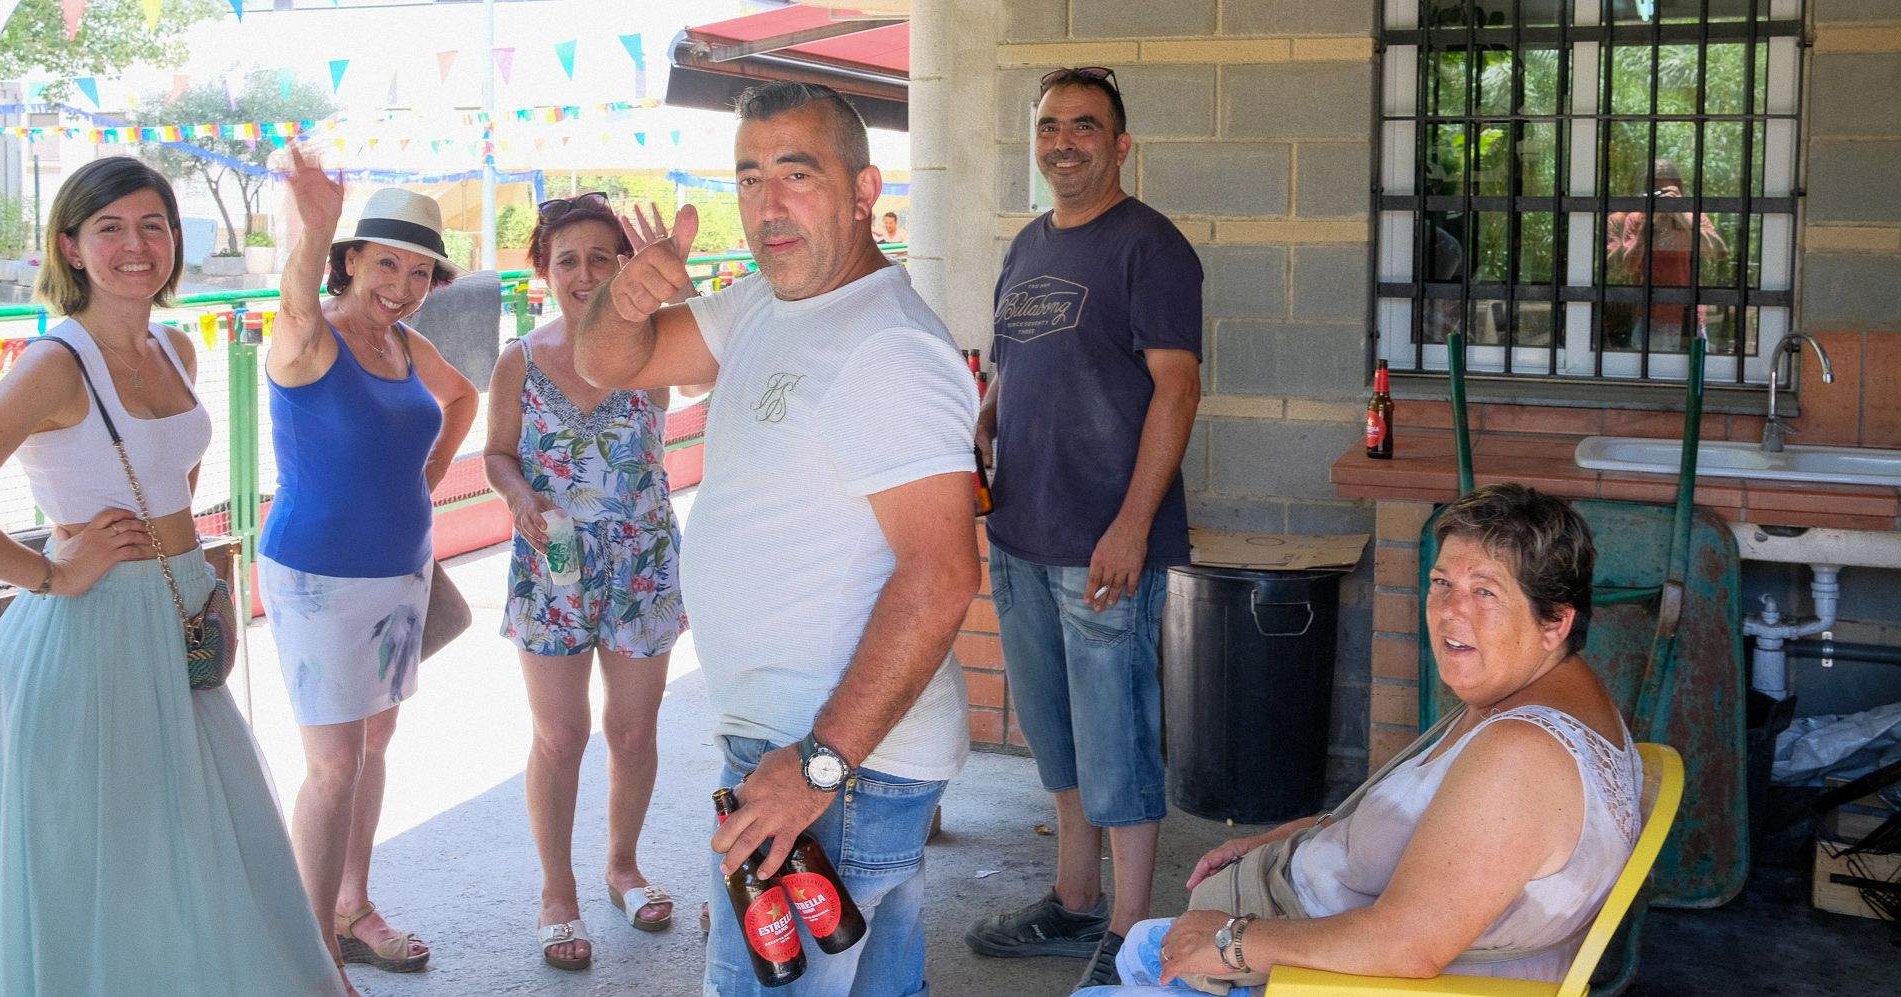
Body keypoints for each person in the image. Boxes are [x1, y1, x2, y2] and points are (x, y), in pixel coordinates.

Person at [0, 156, 342, 995]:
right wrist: (49, 572)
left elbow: (172, 480)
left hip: (171, 623)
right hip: (85, 638)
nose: (136, 245)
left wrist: (194, 576)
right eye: (110, 228)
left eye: (153, 225)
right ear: (70, 246)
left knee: (208, 860)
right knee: (109, 883)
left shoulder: (176, 348)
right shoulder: (55, 364)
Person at [576, 81, 981, 996]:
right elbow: (610, 361)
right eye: (750, 177)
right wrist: (623, 298)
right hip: (799, 751)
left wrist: (819, 764)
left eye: (798, 174)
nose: (768, 205)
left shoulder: (887, 346)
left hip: (833, 763)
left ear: (864, 189)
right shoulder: (763, 302)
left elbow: (944, 575)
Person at [1083, 485, 1642, 993]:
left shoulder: (1523, 756)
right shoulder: (1535, 693)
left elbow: (1406, 946)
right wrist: (1290, 836)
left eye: (1486, 592)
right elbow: (1449, 836)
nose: (1450, 611)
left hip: (1318, 978)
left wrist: (1232, 941)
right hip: (1296, 926)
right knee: (1140, 951)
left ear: (1555, 624)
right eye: (1442, 583)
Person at [967, 66, 1204, 991]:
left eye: (1084, 126)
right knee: (1056, 736)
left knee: (1118, 743)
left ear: (1120, 144)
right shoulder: (1027, 244)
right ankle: (1073, 900)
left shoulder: (1152, 246)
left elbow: (1177, 387)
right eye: (1049, 126)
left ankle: (1131, 931)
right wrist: (987, 415)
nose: (1062, 142)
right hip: (1020, 533)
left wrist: (1133, 525)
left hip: (1105, 544)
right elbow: (1017, 362)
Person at [262, 147, 479, 987]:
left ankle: (352, 907)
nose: (403, 283)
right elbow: (294, 298)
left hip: (400, 573)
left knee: (375, 740)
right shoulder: (310, 338)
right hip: (319, 579)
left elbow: (461, 397)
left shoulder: (404, 343)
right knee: (332, 766)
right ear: (350, 260)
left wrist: (426, 476)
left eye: (420, 271)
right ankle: (312, 956)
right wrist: (313, 226)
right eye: (387, 262)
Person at [482, 191, 686, 971]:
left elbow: (714, 351)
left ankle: (623, 865)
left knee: (633, 729)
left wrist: (671, 277)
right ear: (544, 271)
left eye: (604, 256)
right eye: (568, 259)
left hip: (641, 563)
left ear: (626, 265)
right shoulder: (520, 360)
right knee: (560, 735)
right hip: (553, 567)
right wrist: (520, 497)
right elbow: (497, 452)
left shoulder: (657, 343)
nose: (586, 272)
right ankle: (557, 889)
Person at [1604, 158, 1726, 351]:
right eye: (1656, 192)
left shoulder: (1692, 215)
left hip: (1689, 314)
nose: (1661, 198)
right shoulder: (1637, 218)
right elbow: (1627, 267)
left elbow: (1718, 252)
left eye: (1665, 191)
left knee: (1695, 365)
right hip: (1651, 314)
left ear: (1678, 190)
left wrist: (1681, 215)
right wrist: (1648, 225)